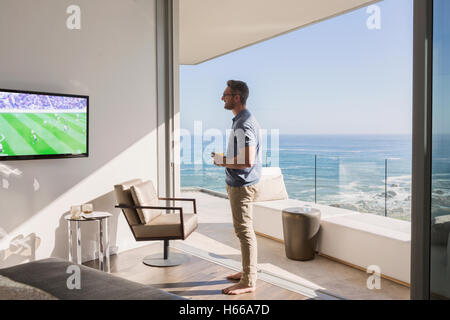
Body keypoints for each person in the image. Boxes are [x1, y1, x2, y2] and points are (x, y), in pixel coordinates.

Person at [212, 80, 262, 295]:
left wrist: (222, 162)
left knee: (244, 232)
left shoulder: (243, 122)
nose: (222, 98)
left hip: (241, 185)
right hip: (243, 182)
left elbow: (247, 160)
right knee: (243, 231)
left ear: (237, 97)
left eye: (226, 94)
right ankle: (246, 272)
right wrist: (225, 159)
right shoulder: (243, 119)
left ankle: (249, 281)